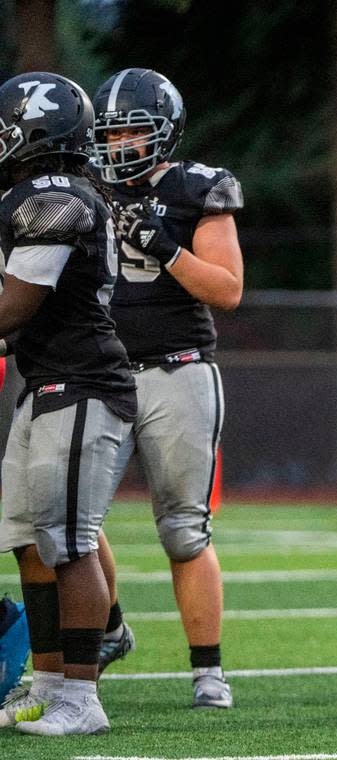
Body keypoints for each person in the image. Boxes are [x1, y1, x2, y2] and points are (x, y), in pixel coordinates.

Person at [89, 68, 243, 709]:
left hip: (176, 369)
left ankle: (208, 670)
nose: (121, 143)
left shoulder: (196, 187)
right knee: (67, 522)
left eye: (134, 130)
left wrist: (169, 250)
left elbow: (228, 290)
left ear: (166, 132)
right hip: (94, 371)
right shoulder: (78, 187)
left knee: (183, 529)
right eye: (112, 130)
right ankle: (108, 626)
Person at [0, 71, 137, 735]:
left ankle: (81, 699)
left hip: (81, 383)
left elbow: (17, 303)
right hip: (45, 379)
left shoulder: (53, 195)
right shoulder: (39, 194)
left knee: (69, 545)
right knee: (29, 541)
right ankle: (50, 683)